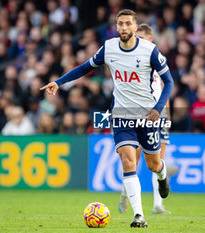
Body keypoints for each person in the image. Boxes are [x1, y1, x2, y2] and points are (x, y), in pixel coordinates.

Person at [40, 9, 174, 228]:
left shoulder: (150, 51)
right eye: (120, 24)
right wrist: (60, 81)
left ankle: (162, 175)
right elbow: (85, 67)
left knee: (153, 163)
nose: (123, 28)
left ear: (134, 26)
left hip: (147, 116)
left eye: (128, 24)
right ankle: (139, 216)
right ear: (116, 26)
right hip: (121, 115)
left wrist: (158, 109)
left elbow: (169, 82)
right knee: (128, 161)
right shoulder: (109, 48)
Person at [117, 23, 173, 215]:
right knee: (135, 159)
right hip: (137, 112)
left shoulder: (157, 57)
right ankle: (126, 193)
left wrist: (166, 114)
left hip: (158, 113)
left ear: (150, 40)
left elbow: (167, 86)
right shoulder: (130, 58)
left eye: (141, 38)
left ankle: (158, 204)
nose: (137, 42)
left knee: (158, 160)